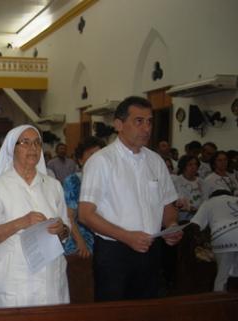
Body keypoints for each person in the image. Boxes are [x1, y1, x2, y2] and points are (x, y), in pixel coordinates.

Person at [78, 96, 182, 302]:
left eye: (149, 121)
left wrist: (171, 225)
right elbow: (85, 215)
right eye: (139, 121)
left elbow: (167, 204)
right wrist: (126, 236)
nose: (146, 128)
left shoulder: (156, 161)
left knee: (146, 317)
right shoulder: (101, 161)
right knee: (114, 320)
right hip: (115, 253)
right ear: (119, 124)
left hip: (151, 250)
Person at [0, 125, 70, 308]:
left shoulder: (53, 185)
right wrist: (21, 222)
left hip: (50, 275)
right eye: (25, 143)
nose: (33, 148)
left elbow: (66, 230)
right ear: (12, 148)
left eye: (37, 143)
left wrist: (62, 229)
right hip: (14, 278)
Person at [62, 136, 105, 258]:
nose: (97, 159)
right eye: (92, 155)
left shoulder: (108, 181)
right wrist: (80, 242)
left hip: (106, 237)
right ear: (80, 160)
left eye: (100, 155)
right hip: (80, 239)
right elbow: (69, 217)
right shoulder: (73, 181)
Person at [190, 190, 238, 291]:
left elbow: (195, 224)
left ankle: (220, 302)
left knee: (222, 275)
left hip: (223, 236)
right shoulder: (235, 199)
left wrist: (200, 242)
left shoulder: (209, 202)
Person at [173, 155, 203, 223]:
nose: (194, 167)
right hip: (182, 219)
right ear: (183, 166)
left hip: (200, 217)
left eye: (195, 164)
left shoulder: (201, 182)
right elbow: (174, 201)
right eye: (190, 164)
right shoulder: (176, 181)